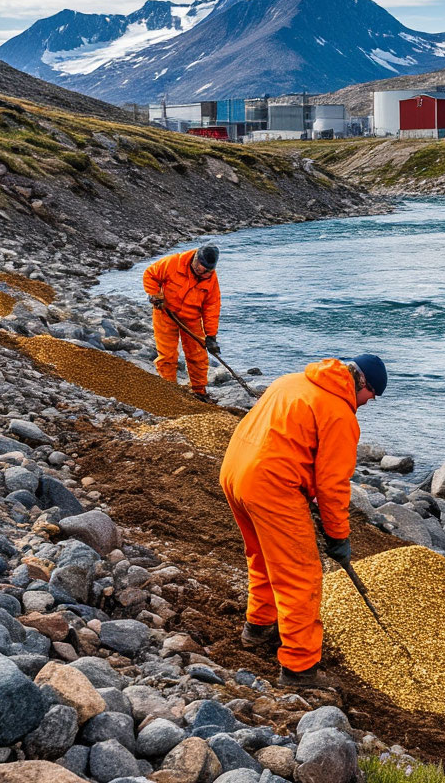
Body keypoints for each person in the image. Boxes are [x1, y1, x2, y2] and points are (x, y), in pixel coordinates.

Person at [219, 353, 388, 689]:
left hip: (235, 472)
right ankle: (299, 669)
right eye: (372, 396)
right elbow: (332, 486)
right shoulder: (340, 415)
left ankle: (259, 626)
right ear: (363, 384)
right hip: (271, 485)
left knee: (262, 556)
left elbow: (287, 440)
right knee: (301, 574)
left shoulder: (292, 381)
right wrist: (338, 537)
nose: (369, 404)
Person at [142, 244, 221, 402]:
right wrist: (155, 295)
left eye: (207, 270)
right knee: (167, 355)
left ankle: (199, 391)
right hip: (165, 313)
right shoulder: (173, 263)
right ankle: (170, 390)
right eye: (201, 267)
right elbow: (150, 274)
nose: (203, 272)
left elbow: (211, 307)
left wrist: (211, 336)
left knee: (198, 356)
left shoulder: (211, 280)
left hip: (191, 319)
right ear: (195, 259)